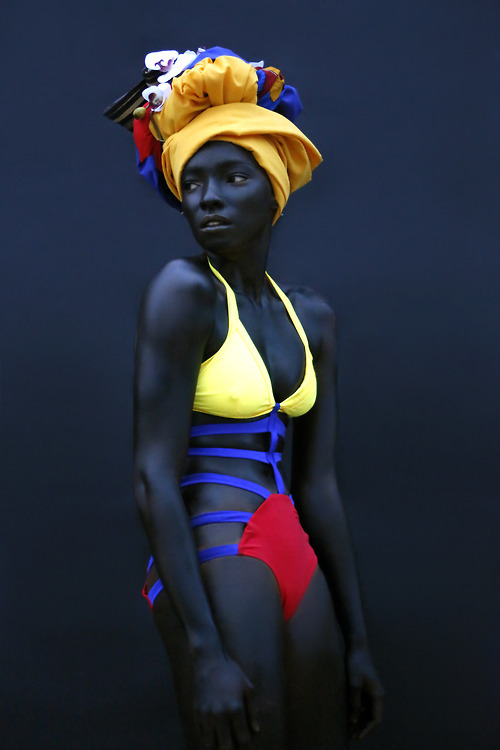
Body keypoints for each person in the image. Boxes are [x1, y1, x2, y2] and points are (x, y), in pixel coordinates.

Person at [106, 47, 384, 750]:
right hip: (213, 550)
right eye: (193, 180)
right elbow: (151, 480)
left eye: (233, 177)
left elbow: (319, 483)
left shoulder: (310, 316)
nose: (208, 197)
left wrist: (359, 642)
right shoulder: (184, 292)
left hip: (291, 546)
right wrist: (204, 650)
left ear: (274, 192)